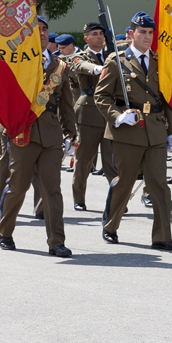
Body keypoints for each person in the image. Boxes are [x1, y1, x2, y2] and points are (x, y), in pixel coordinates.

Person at [95, 12, 172, 250]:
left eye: (151, 32)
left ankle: (162, 237)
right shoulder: (117, 60)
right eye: (142, 32)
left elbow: (167, 99)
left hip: (155, 129)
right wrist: (118, 116)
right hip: (128, 129)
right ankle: (110, 225)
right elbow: (101, 97)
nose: (147, 37)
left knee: (159, 185)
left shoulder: (159, 60)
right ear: (131, 33)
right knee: (125, 182)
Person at [0, 17, 76, 257]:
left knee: (52, 189)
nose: (41, 33)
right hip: (23, 131)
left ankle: (56, 242)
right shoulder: (16, 62)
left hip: (51, 134)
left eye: (44, 30)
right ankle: (5, 231)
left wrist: (71, 134)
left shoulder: (59, 66)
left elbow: (66, 103)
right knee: (18, 187)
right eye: (35, 30)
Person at [66, 24, 115, 210]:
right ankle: (79, 198)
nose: (99, 37)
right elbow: (80, 65)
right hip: (89, 112)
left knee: (112, 160)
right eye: (94, 34)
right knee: (84, 159)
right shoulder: (82, 56)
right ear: (86, 38)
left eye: (101, 34)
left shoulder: (112, 54)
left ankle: (117, 198)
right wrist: (99, 68)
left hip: (109, 112)